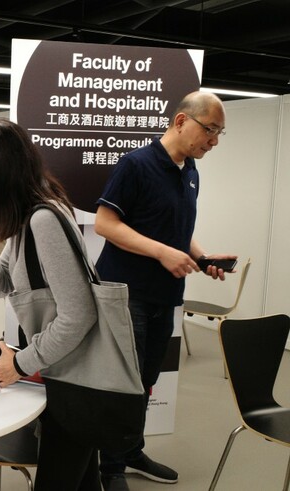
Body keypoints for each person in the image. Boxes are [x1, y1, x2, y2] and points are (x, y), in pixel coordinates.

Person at [94, 91, 236, 491]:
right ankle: (111, 467)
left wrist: (202, 256)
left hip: (164, 294)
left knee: (147, 378)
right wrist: (163, 254)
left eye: (220, 133)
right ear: (180, 121)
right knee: (125, 382)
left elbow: (178, 232)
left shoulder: (190, 171)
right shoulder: (135, 164)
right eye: (210, 130)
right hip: (126, 292)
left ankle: (131, 449)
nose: (214, 141)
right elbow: (106, 224)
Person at [0, 119, 101, 490]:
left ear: (1, 169)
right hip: (62, 376)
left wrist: (19, 364)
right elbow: (3, 285)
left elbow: (79, 314)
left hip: (76, 382)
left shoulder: (43, 220)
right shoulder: (23, 221)